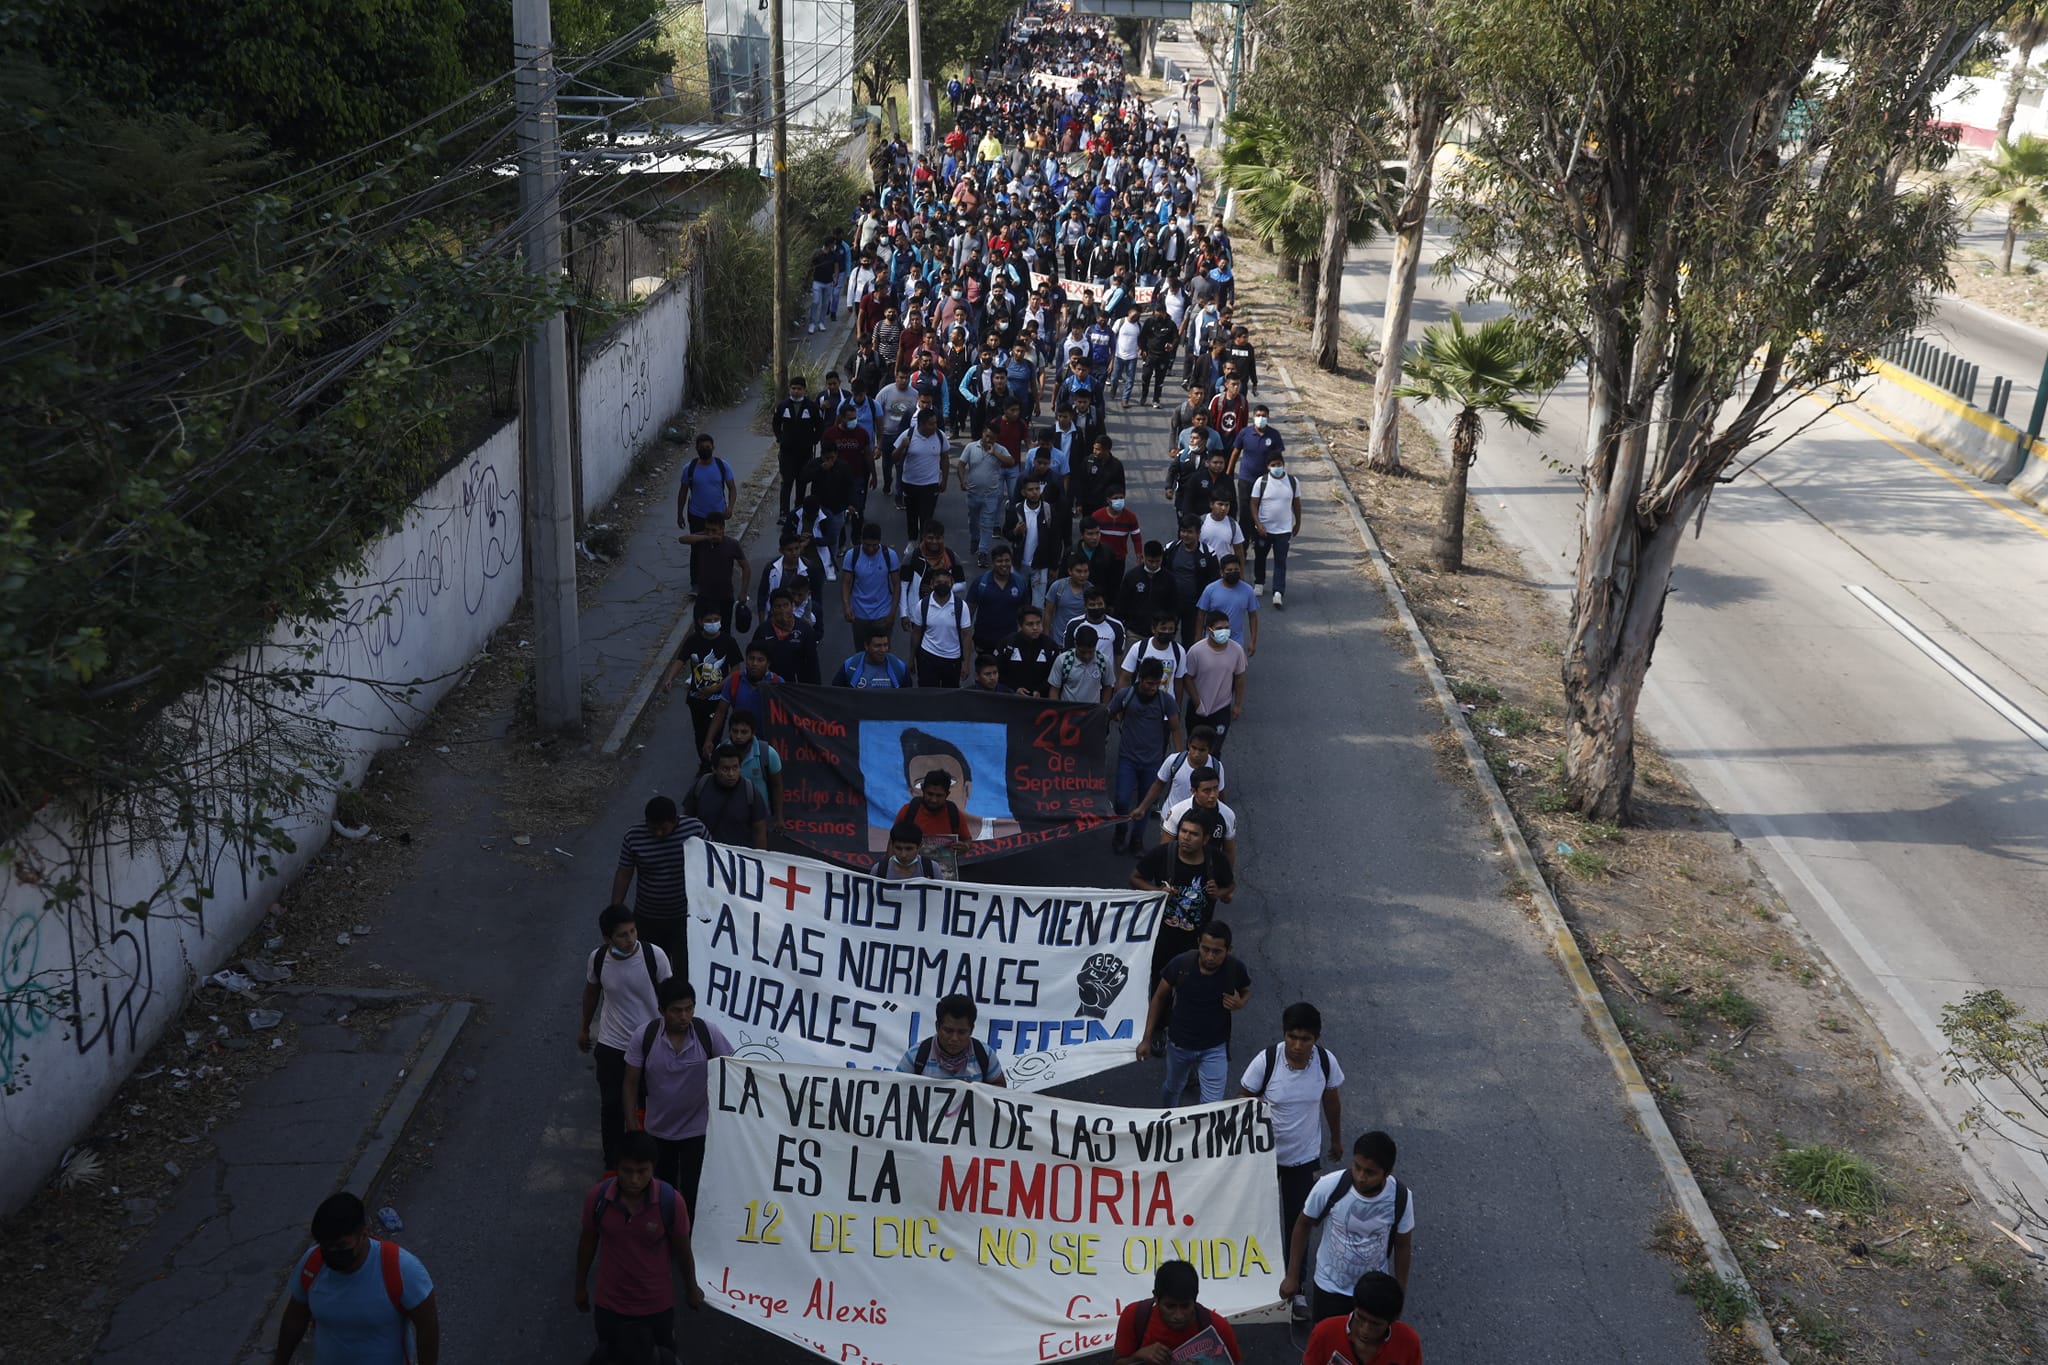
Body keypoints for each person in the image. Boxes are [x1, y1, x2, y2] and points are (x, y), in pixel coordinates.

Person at [573, 1131, 705, 1365]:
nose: (634, 1179)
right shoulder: (597, 1199)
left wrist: (691, 1288)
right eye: (627, 1171)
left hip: (656, 1307)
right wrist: (580, 1286)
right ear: (616, 1167)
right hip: (610, 1305)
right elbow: (587, 1242)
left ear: (653, 1168)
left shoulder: (671, 1202)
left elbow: (683, 1251)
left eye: (642, 1171)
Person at [1240, 1002, 1345, 1284]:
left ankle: (1295, 1284)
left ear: (1316, 1039)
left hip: (1304, 1160)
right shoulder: (1266, 1061)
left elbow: (1331, 1102)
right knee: (1259, 1219)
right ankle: (1255, 1281)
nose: (1297, 1045)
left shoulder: (1325, 1062)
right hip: (1263, 1158)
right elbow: (1241, 1103)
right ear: (1284, 1034)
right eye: (1292, 1037)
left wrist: (1336, 1138)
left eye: (1305, 1039)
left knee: (1300, 1224)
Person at [274, 1192, 438, 1365]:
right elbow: (295, 1317)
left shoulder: (402, 1269)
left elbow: (427, 1327)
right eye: (326, 1246)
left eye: (341, 1245)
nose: (332, 1253)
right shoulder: (312, 1264)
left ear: (364, 1234)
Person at [621, 978, 734, 1221]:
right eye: (676, 1010)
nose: (684, 1016)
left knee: (695, 1193)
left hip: (698, 1131)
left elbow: (733, 1071)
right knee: (662, 1194)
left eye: (689, 1009)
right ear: (662, 1010)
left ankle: (690, 1240)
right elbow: (630, 1082)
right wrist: (632, 1127)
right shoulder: (644, 1037)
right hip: (658, 1132)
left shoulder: (708, 1034)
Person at [1280, 1131, 1416, 1324]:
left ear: (1387, 1172)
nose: (1361, 1177)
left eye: (1370, 1172)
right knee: (1327, 1345)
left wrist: (1399, 1294)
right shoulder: (1330, 1185)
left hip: (1372, 1293)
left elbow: (1403, 1246)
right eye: (1357, 1167)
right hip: (1329, 1288)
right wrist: (1292, 1276)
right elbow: (1303, 1224)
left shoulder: (1401, 1197)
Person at [580, 904, 674, 1172]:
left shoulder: (654, 956)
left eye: (632, 931)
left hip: (651, 1044)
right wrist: (584, 1027)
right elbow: (591, 992)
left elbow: (670, 996)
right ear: (608, 939)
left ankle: (651, 1162)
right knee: (612, 1107)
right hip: (613, 1044)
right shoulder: (597, 959)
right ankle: (613, 1165)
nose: (630, 938)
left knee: (652, 1106)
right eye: (622, 935)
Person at [1135, 922, 1251, 1107]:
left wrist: (1240, 1002)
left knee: (1211, 1105)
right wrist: (1147, 1038)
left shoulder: (1235, 968)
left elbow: (1245, 991)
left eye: (1217, 951)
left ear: (1228, 949)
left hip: (1214, 1047)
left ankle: (1202, 1135)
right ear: (1198, 943)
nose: (1210, 956)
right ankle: (1167, 1123)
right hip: (1179, 1044)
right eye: (1205, 949)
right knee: (1173, 1088)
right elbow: (1158, 998)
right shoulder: (1181, 964)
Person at [1130, 812, 1235, 991]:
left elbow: (1230, 885)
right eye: (1183, 831)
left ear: (1205, 839)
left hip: (1197, 942)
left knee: (1191, 987)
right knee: (1160, 986)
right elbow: (1135, 878)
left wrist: (1218, 892)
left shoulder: (1216, 860)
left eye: (1193, 834)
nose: (1186, 837)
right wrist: (1157, 892)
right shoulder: (1163, 854)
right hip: (1162, 939)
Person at [610, 797, 706, 980]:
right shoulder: (634, 837)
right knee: (650, 970)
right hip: (648, 918)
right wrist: (616, 909)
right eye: (653, 829)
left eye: (664, 829)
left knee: (685, 970)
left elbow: (713, 864)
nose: (659, 834)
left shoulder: (695, 830)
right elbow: (624, 873)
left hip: (686, 917)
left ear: (675, 822)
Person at [1110, 1259, 1244, 1365]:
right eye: (1170, 1306)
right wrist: (1138, 1357)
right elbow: (1118, 1362)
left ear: (1195, 1299)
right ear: (1156, 1298)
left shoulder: (1217, 1327)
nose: (1178, 1316)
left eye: (1185, 1306)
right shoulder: (1134, 1316)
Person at [1108, 659, 1181, 852]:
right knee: (1122, 800)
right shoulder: (1125, 695)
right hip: (1128, 760)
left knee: (1145, 803)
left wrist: (1181, 759)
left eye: (1157, 683)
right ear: (1140, 679)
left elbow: (1175, 728)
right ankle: (1120, 831)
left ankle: (1137, 840)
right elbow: (1107, 714)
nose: (1152, 687)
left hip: (1153, 762)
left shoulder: (1166, 701)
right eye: (1149, 683)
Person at [1300, 1273, 1420, 1365]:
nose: (1365, 1329)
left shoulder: (1409, 1342)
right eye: (1360, 1318)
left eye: (1376, 1324)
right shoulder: (1324, 1332)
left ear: (1392, 1321)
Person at [896, 992, 1006, 1084]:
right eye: (948, 1031)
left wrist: (976, 1092)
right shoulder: (916, 1056)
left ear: (971, 1030)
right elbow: (894, 1090)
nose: (954, 1038)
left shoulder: (985, 1054)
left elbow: (999, 1092)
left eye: (962, 1032)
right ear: (937, 1027)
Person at [1184, 611, 1248, 752]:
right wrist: (1197, 703)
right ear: (1209, 630)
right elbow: (1187, 678)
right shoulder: (1196, 651)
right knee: (1194, 750)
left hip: (1221, 709)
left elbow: (1239, 678)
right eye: (1219, 628)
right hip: (1197, 709)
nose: (1224, 631)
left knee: (1214, 750)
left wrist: (1237, 704)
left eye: (1226, 627)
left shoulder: (1236, 650)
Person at [703, 644, 780, 760]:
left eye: (760, 660)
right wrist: (709, 740)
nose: (754, 663)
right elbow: (720, 712)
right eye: (751, 658)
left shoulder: (777, 683)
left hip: (768, 745)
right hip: (739, 743)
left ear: (768, 664)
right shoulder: (734, 681)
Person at [683, 745, 768, 848]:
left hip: (739, 856)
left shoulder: (750, 791)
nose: (731, 774)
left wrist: (759, 859)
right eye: (725, 769)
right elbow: (687, 821)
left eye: (735, 768)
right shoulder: (701, 785)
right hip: (707, 854)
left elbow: (759, 831)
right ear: (714, 769)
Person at [1248, 448, 1301, 607]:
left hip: (1283, 531)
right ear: (1267, 467)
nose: (1276, 467)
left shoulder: (1293, 482)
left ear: (1283, 464)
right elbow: (1253, 504)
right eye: (1273, 465)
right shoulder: (1261, 482)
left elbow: (1296, 503)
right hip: (1264, 529)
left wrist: (1298, 522)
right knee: (1260, 557)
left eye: (1278, 464)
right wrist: (1258, 524)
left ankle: (1278, 591)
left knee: (1280, 561)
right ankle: (1259, 583)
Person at [676, 511, 749, 623]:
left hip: (725, 597)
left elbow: (746, 568)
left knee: (724, 629)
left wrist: (743, 592)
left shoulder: (732, 544)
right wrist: (704, 537)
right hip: (704, 596)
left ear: (722, 529)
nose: (710, 533)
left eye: (714, 530)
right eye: (707, 530)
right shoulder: (702, 540)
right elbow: (682, 539)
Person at [909, 564, 973, 686]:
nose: (942, 585)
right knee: (927, 695)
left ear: (952, 584)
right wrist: (911, 659)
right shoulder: (922, 605)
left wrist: (966, 664)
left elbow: (966, 636)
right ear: (932, 584)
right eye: (938, 582)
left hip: (953, 660)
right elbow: (916, 633)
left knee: (949, 698)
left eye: (946, 582)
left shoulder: (961, 606)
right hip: (928, 657)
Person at [840, 522, 903, 647]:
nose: (871, 549)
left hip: (883, 614)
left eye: (875, 545)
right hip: (859, 614)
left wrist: (892, 613)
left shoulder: (890, 555)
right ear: (861, 540)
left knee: (882, 652)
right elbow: (845, 583)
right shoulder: (851, 555)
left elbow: (897, 585)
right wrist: (847, 606)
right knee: (861, 652)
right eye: (867, 545)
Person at [894, 408, 952, 542]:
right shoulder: (907, 434)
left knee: (927, 519)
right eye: (931, 424)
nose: (934, 426)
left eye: (935, 423)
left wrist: (944, 480)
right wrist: (902, 447)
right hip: (910, 484)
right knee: (912, 517)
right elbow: (894, 458)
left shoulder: (940, 436)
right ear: (921, 424)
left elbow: (944, 458)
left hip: (930, 485)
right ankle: (912, 543)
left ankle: (923, 546)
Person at [723, 709, 784, 834]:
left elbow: (777, 786)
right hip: (729, 817)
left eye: (744, 732)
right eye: (735, 731)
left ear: (753, 733)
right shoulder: (721, 753)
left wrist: (779, 818)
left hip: (760, 818)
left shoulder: (768, 754)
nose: (738, 736)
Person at [773, 375, 824, 517]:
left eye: (799, 389)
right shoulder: (783, 406)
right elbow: (776, 423)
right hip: (787, 452)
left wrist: (814, 440)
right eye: (793, 388)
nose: (796, 391)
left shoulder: (812, 407)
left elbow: (820, 425)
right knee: (787, 482)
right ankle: (783, 512)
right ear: (789, 389)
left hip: (805, 452)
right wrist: (780, 438)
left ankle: (798, 509)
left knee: (802, 482)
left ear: (804, 391)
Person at [966, 543, 1029, 655]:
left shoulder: (1019, 583)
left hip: (1011, 641)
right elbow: (969, 612)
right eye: (999, 561)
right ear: (993, 563)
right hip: (984, 640)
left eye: (1007, 560)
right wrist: (967, 638)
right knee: (985, 672)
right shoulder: (981, 583)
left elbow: (1025, 613)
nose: (1004, 564)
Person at [892, 767, 974, 852]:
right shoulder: (908, 811)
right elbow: (893, 840)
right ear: (923, 790)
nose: (934, 800)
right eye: (930, 794)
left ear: (947, 794)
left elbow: (967, 840)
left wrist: (966, 846)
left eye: (939, 795)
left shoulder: (954, 814)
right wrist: (888, 864)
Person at [1196, 556, 1257, 658]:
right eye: (1229, 570)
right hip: (1213, 640)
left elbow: (1253, 616)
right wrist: (1198, 639)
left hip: (1236, 642)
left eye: (1236, 570)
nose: (1233, 572)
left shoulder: (1248, 590)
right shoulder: (1210, 590)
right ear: (1222, 572)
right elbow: (1201, 615)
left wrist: (1253, 641)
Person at [1000, 605, 1059, 696]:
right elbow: (999, 672)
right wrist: (1014, 688)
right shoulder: (1008, 643)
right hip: (1012, 698)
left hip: (1041, 699)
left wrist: (1040, 690)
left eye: (1038, 623)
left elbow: (1055, 675)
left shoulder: (1050, 646)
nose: (1035, 628)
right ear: (1020, 625)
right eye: (1030, 624)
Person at [1049, 624, 1115, 703]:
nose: (1087, 656)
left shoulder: (1103, 661)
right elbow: (1054, 689)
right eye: (1083, 652)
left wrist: (1104, 708)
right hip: (1068, 712)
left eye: (1090, 652)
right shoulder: (1063, 661)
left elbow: (1108, 687)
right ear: (1075, 644)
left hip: (1092, 712)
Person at [832, 623, 914, 688]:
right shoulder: (849, 666)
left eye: (885, 645)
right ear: (866, 646)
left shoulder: (899, 668)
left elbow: (907, 697)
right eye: (878, 646)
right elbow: (835, 694)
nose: (883, 650)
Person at [1043, 554, 1094, 643]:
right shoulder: (1058, 587)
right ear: (1070, 571)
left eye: (1085, 571)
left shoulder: (1091, 591)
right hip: (1058, 640)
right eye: (1078, 571)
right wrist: (1046, 638)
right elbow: (1048, 613)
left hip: (1080, 642)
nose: (1082, 575)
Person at [872, 820, 943, 880]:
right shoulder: (879, 870)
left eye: (909, 849)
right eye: (898, 848)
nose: (903, 855)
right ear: (892, 845)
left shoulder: (932, 869)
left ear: (919, 846)